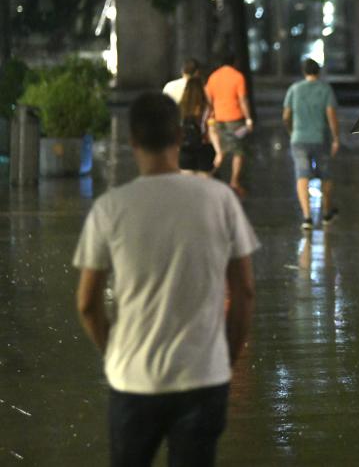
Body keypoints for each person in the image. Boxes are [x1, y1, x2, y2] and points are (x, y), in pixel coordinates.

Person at [73, 93, 260, 467]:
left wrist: (114, 352)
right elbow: (244, 292)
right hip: (202, 376)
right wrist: (227, 356)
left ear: (132, 141)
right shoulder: (219, 199)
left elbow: (87, 304)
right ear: (178, 135)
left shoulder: (110, 208)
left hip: (133, 378)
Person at [283, 58, 340, 230]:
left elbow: (286, 115)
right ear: (318, 72)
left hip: (298, 139)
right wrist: (336, 137)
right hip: (320, 138)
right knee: (325, 175)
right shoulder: (325, 89)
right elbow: (331, 115)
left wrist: (292, 131)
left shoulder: (294, 89)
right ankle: (326, 212)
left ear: (304, 72)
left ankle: (307, 217)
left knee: (302, 175)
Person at [205, 53, 254, 197]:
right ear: (234, 62)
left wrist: (212, 112)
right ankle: (234, 181)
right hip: (236, 119)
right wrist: (248, 118)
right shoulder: (238, 76)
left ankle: (209, 175)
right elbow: (243, 99)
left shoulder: (213, 77)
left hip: (218, 119)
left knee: (220, 150)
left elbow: (208, 98)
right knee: (238, 151)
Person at [179, 77, 222, 174]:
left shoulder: (180, 108)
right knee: (205, 184)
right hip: (204, 149)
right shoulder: (208, 108)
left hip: (185, 149)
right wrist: (219, 152)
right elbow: (212, 131)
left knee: (187, 185)